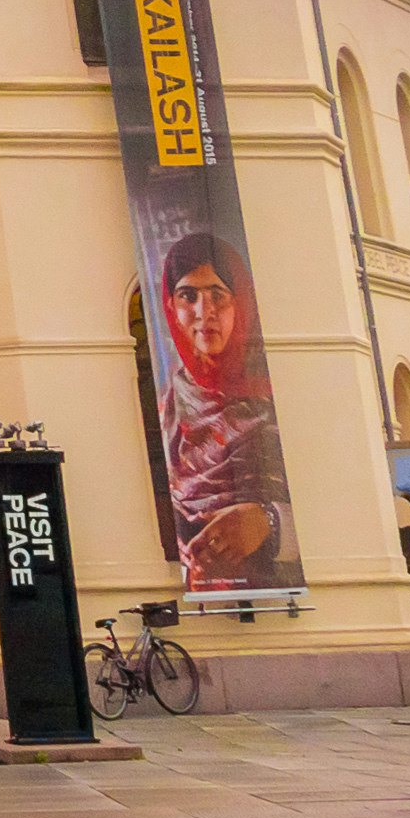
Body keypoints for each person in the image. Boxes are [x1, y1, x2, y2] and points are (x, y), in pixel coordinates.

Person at [155, 230, 299, 589]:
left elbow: (336, 499)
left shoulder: (281, 386)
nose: (206, 313)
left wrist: (269, 522)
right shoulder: (172, 403)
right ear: (171, 307)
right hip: (204, 593)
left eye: (218, 295)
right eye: (189, 296)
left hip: (281, 589)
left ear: (242, 302)